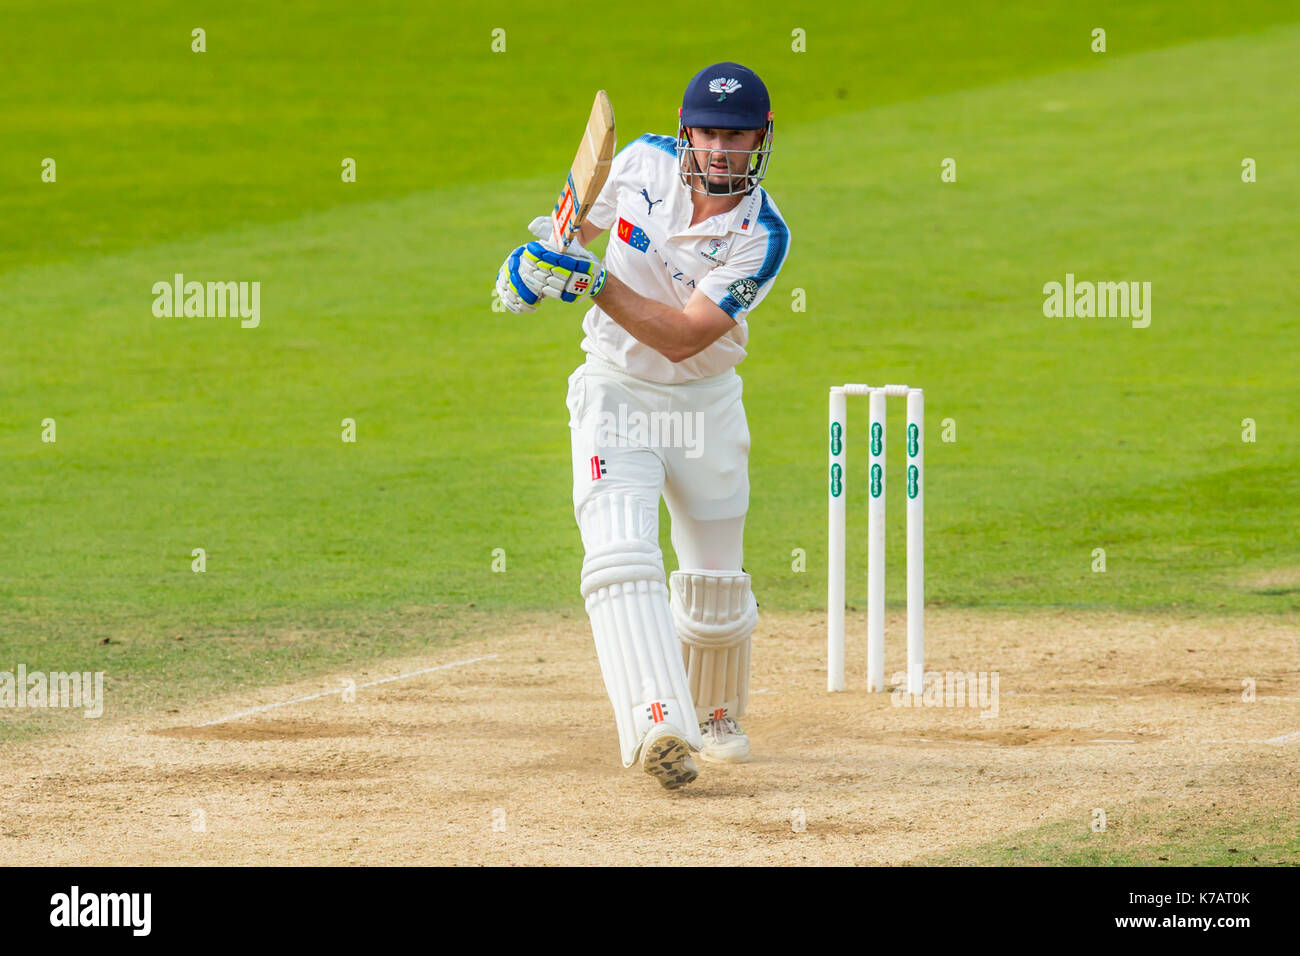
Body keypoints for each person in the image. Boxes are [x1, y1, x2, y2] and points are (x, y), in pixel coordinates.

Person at [495, 62, 790, 789]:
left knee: (716, 591)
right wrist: (532, 267)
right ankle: (658, 723)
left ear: (764, 137)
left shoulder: (763, 237)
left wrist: (592, 280)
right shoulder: (641, 163)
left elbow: (687, 335)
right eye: (711, 133)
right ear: (689, 133)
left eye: (738, 135)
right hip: (615, 390)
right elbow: (576, 226)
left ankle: (714, 714)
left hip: (704, 403)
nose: (723, 150)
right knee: (621, 557)